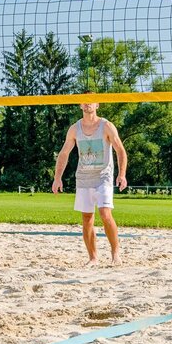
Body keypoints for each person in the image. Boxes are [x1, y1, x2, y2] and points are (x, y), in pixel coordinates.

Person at [51, 100, 128, 266]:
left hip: (103, 176)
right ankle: (93, 258)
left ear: (97, 105)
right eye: (84, 101)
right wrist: (57, 178)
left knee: (105, 214)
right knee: (87, 218)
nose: (87, 104)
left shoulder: (106, 126)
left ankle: (116, 253)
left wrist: (122, 174)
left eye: (91, 101)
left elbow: (120, 150)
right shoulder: (75, 129)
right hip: (84, 178)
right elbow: (64, 154)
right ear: (80, 105)